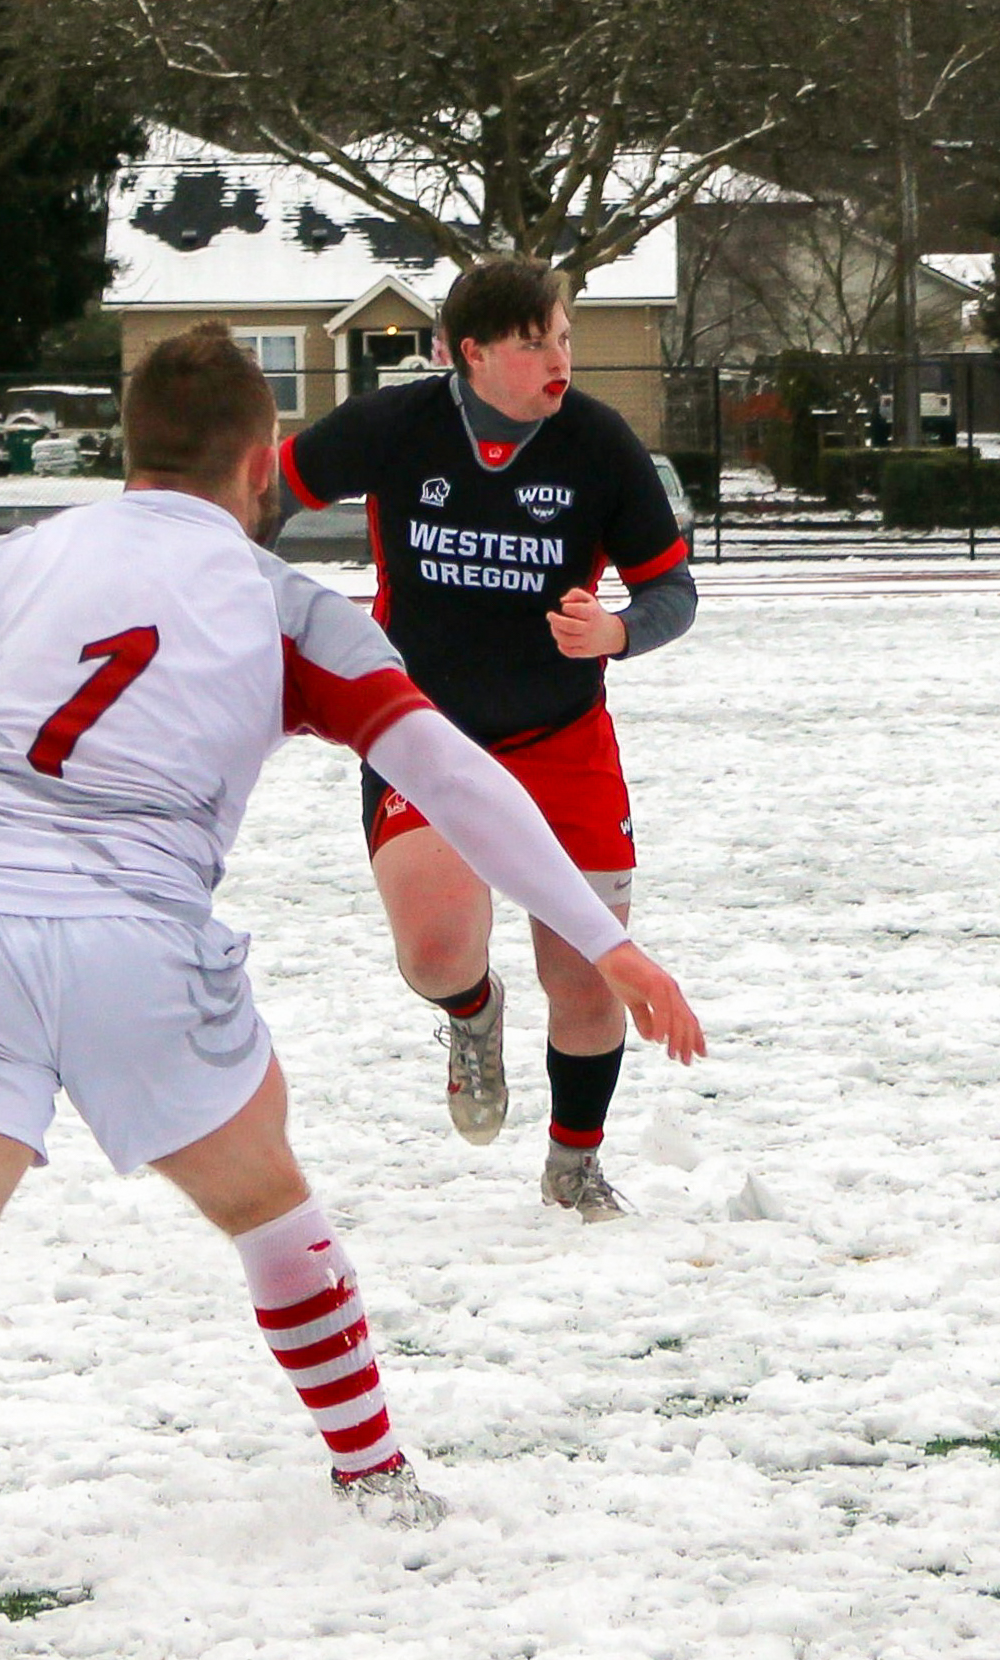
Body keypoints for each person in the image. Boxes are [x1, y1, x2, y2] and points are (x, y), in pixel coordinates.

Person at [0, 324, 706, 1636]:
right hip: (138, 947)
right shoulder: (283, 604)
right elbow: (453, 775)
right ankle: (373, 1471)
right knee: (269, 1210)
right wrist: (607, 942)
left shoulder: (0, 564)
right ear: (261, 464)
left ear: (128, 449)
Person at [273, 256, 697, 1220]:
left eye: (565, 339)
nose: (559, 361)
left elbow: (672, 590)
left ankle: (573, 1166)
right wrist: (219, 575)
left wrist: (619, 630)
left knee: (586, 980)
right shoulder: (396, 425)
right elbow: (266, 494)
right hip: (421, 734)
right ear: (469, 352)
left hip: (562, 736)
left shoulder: (598, 444)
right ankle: (472, 1014)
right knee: (434, 952)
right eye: (534, 343)